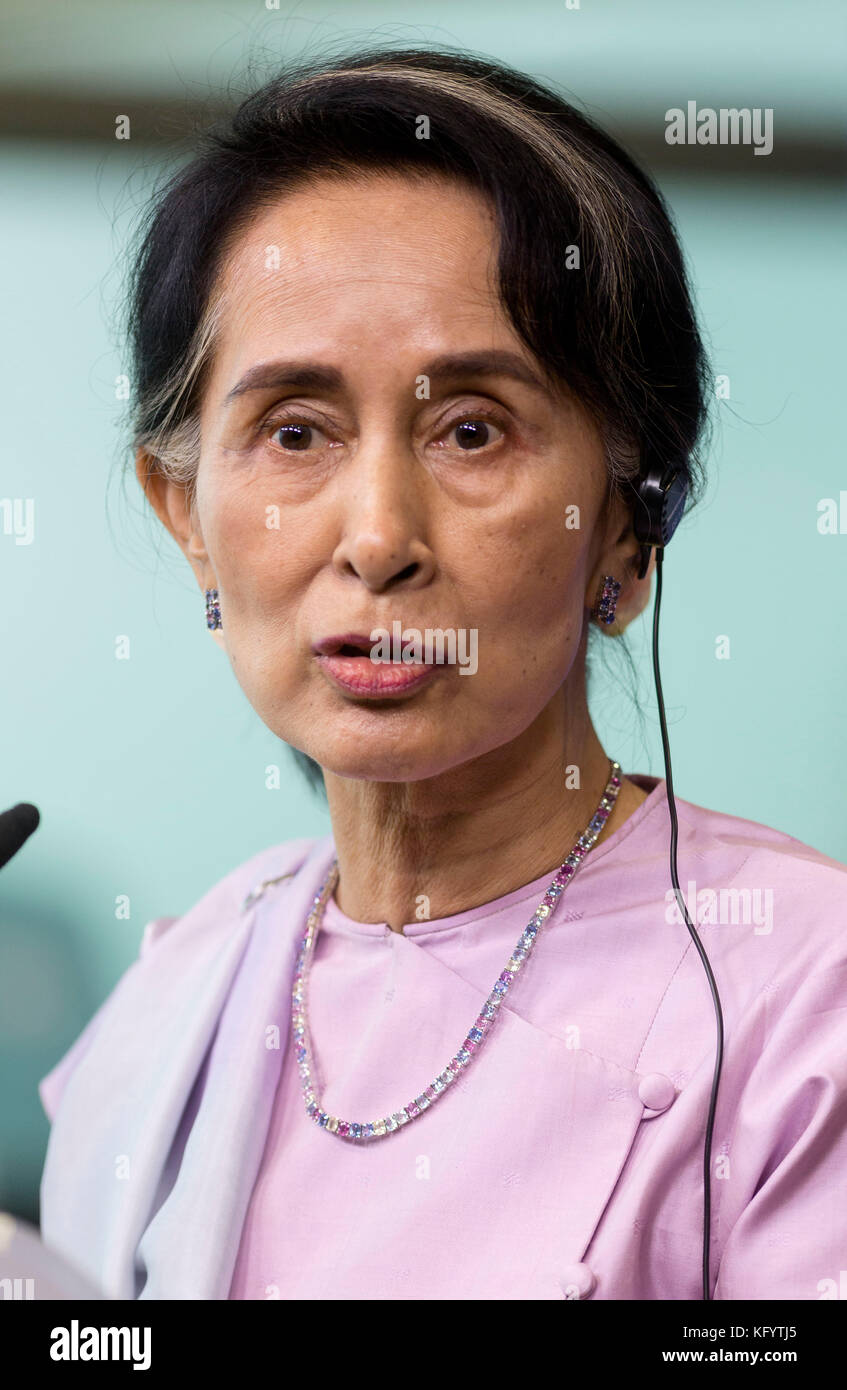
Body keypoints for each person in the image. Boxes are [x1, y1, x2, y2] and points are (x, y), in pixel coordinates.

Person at [38, 47, 847, 1301]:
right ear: (185, 511)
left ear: (630, 525)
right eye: (294, 433)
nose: (377, 538)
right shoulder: (176, 1000)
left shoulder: (806, 997)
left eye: (471, 430)